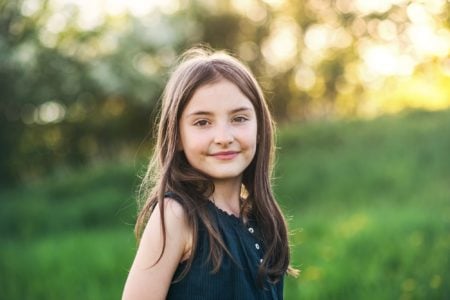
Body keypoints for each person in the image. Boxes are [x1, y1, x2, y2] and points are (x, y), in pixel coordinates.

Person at [122, 47, 298, 300]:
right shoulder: (176, 216)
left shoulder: (261, 219)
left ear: (259, 127)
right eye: (202, 122)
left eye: (239, 118)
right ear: (178, 136)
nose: (224, 138)